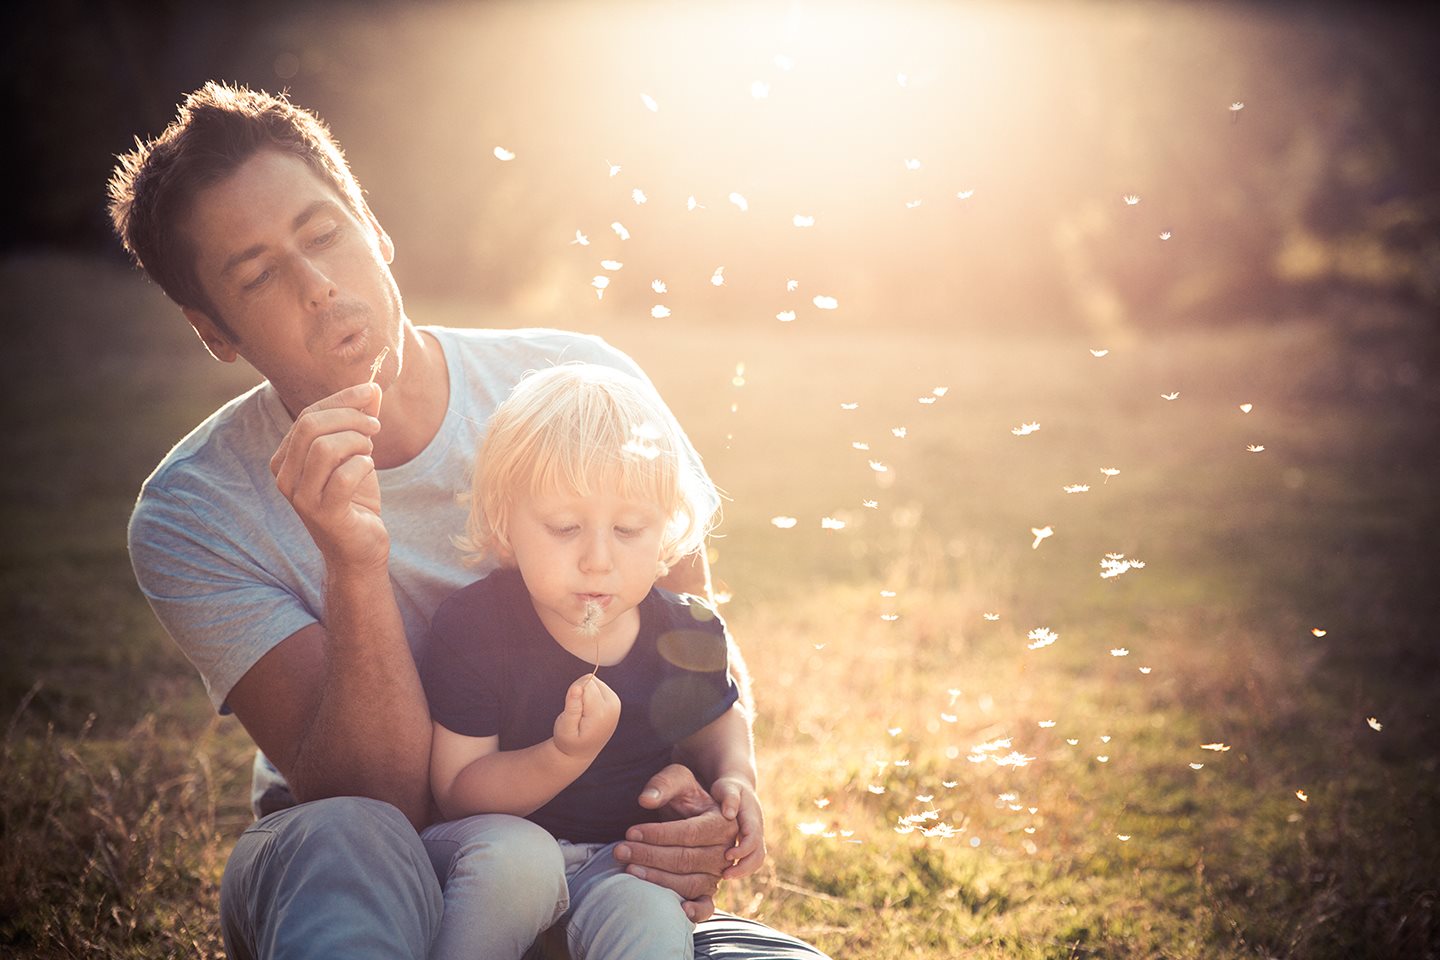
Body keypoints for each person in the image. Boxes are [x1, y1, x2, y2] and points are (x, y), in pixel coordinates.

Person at [107, 82, 827, 960]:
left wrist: (706, 795)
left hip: (601, 859)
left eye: (325, 235)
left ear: (375, 228)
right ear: (213, 330)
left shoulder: (581, 386)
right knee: (347, 838)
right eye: (258, 276)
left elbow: (683, 637)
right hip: (372, 871)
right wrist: (353, 565)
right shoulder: (195, 510)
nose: (319, 286)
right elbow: (375, 796)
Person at [422, 363, 765, 960]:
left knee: (650, 909)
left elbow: (719, 724)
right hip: (492, 848)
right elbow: (457, 790)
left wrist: (735, 780)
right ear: (506, 521)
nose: (597, 559)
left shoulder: (687, 630)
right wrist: (563, 757)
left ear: (666, 532)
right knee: (517, 864)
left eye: (630, 529)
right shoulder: (475, 627)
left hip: (620, 856)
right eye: (564, 526)